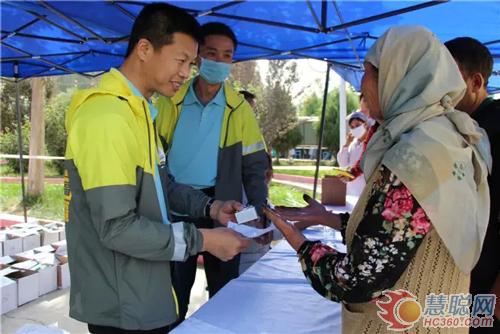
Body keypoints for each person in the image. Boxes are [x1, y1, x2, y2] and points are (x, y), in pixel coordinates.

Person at [264, 26, 491, 333]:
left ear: (397, 76)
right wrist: (330, 219)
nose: (362, 83)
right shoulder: (449, 137)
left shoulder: (416, 154)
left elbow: (357, 279)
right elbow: (406, 230)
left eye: (368, 72)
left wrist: (300, 244)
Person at [64, 4, 250, 333]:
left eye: (191, 64)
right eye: (180, 60)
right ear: (145, 49)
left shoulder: (140, 112)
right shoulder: (108, 117)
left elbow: (163, 187)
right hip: (121, 303)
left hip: (145, 290)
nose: (186, 73)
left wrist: (213, 207)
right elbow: (116, 228)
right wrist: (203, 240)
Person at [155, 22, 269, 323]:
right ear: (197, 57)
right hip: (174, 204)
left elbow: (255, 166)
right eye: (211, 53)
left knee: (224, 288)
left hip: (221, 206)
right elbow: (153, 158)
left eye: (227, 55)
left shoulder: (237, 108)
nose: (219, 61)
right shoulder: (170, 101)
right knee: (173, 287)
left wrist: (259, 209)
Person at [446, 37, 500, 331]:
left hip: (487, 287)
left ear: (475, 81)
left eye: (447, 78)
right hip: (461, 280)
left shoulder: (492, 129)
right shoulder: (454, 127)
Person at [337, 111, 369, 197]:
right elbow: (343, 163)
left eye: (358, 125)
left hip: (364, 189)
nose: (355, 129)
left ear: (365, 124)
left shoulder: (371, 143)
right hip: (351, 189)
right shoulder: (353, 144)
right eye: (352, 127)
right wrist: (347, 144)